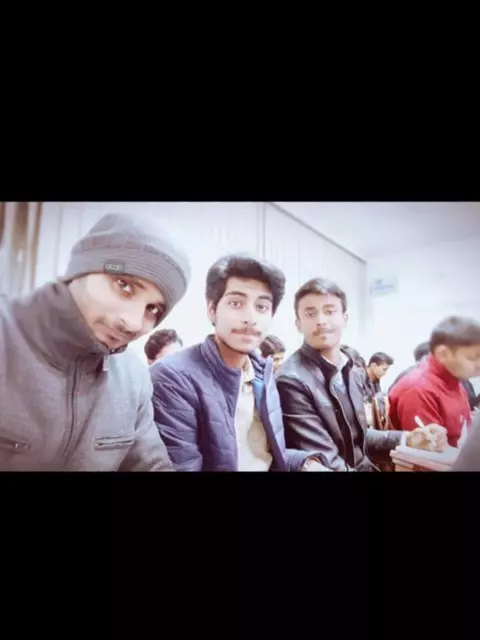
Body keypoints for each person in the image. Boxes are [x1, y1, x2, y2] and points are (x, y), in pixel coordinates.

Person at [0, 212, 191, 471]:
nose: (134, 323)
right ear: (84, 268)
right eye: (124, 285)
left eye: (153, 309)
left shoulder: (133, 379)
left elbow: (150, 464)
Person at [151, 254, 328, 471]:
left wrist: (306, 463)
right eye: (236, 303)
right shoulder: (173, 378)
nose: (250, 318)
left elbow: (263, 455)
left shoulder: (262, 375)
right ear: (212, 310)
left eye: (261, 307)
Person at [275, 277, 447, 471]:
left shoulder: (350, 365)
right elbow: (325, 460)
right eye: (310, 314)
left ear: (345, 318)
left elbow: (357, 438)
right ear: (298, 324)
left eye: (329, 311)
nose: (321, 321)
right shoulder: (291, 380)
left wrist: (408, 439)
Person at [389, 316, 480, 447]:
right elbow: (428, 451)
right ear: (443, 354)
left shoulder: (454, 381)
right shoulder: (418, 389)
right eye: (472, 358)